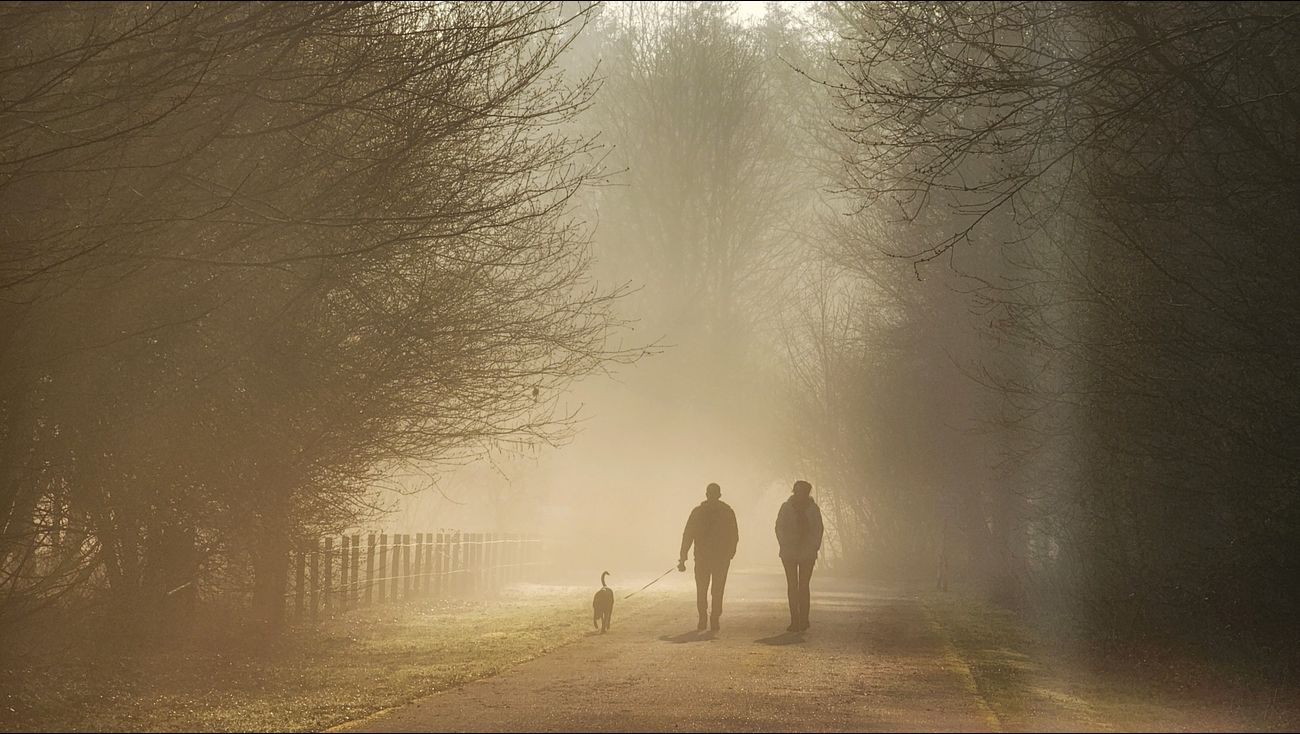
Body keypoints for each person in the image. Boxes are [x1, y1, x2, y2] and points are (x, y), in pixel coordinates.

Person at [677, 482, 739, 633]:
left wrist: (683, 556)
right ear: (719, 495)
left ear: (708, 494)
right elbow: (734, 535)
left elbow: (688, 535)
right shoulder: (726, 511)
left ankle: (705, 617)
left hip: (704, 557)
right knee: (716, 589)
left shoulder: (698, 512)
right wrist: (730, 553)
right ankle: (713, 617)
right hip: (717, 558)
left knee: (703, 589)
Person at [775, 480, 823, 632]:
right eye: (797, 491)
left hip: (807, 552)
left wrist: (814, 545)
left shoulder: (813, 509)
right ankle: (794, 619)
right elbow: (779, 527)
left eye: (802, 492)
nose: (799, 494)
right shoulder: (786, 508)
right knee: (792, 586)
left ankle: (804, 619)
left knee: (803, 586)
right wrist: (784, 543)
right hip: (789, 551)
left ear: (807, 493)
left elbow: (818, 529)